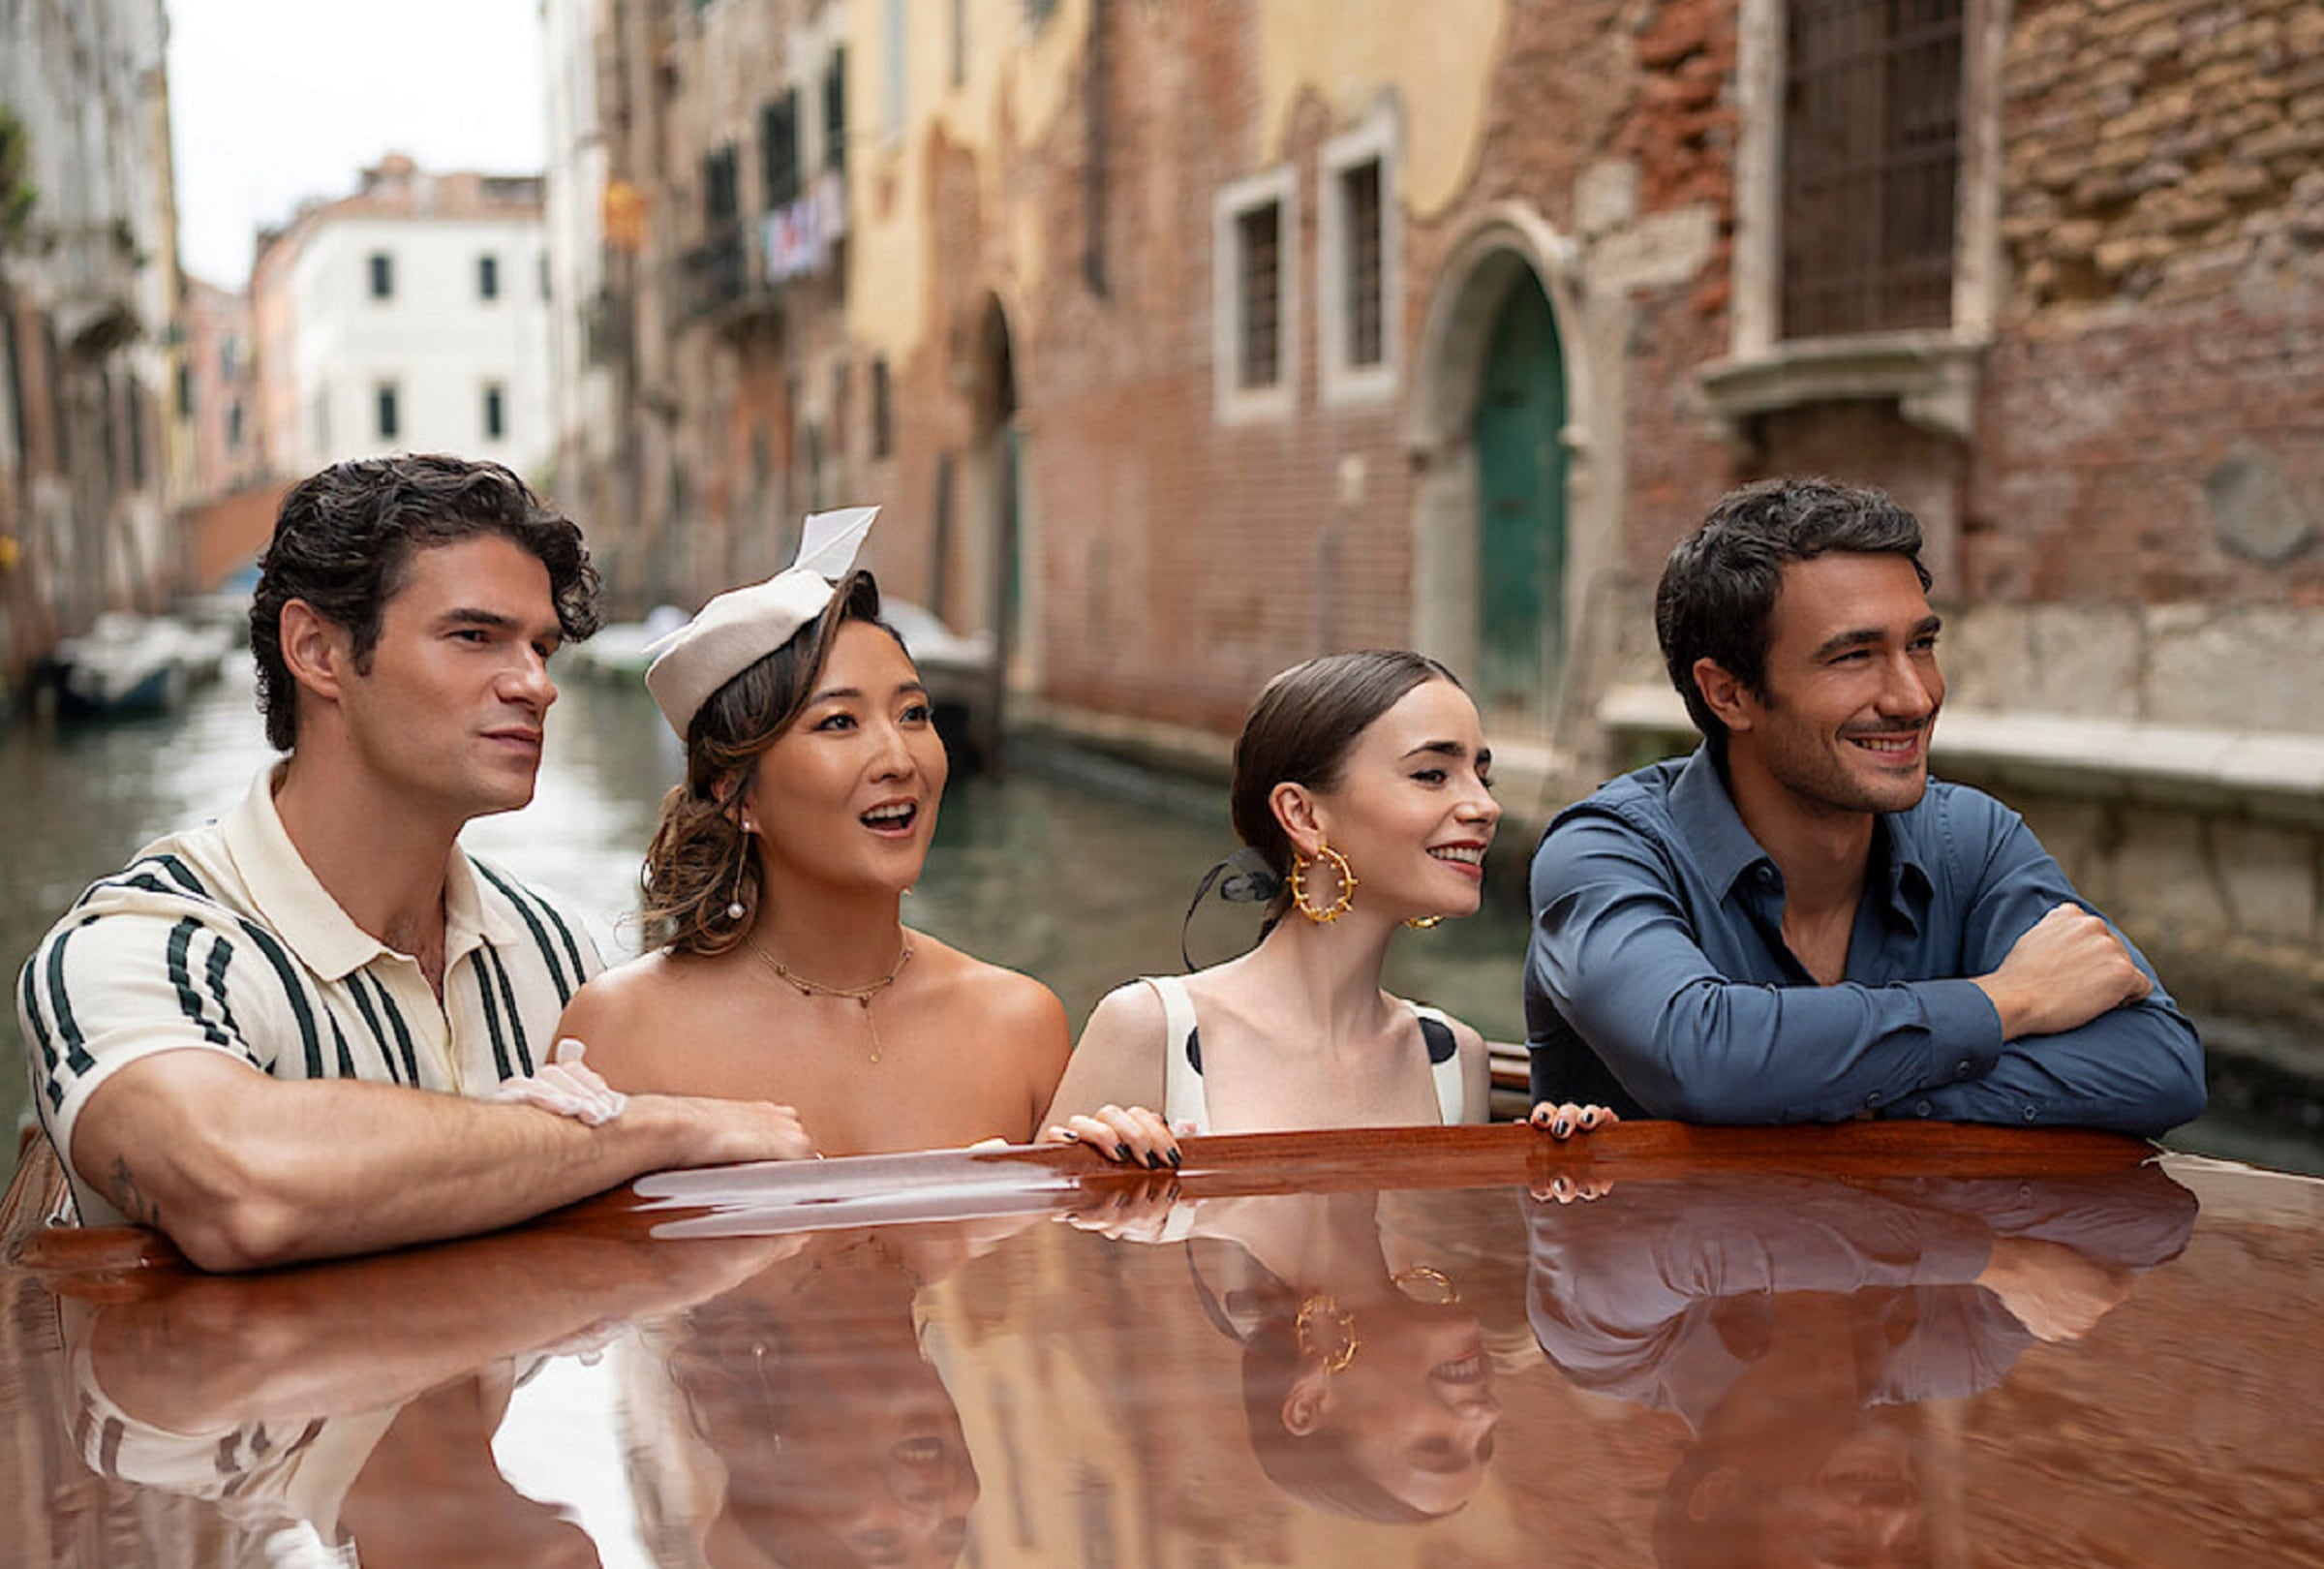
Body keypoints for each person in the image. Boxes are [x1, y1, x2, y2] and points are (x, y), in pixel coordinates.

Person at [14, 454, 814, 1273]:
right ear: (317, 650)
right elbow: (240, 1188)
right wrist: (654, 1127)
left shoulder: (559, 952)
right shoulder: (139, 951)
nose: (536, 684)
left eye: (541, 646)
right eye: (475, 637)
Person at [1524, 477, 2206, 1135]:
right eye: (1855, 656)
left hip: (1918, 1252)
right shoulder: (1603, 852)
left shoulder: (1974, 839)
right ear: (1727, 693)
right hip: (1653, 1253)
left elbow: (2160, 1064)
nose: (1914, 698)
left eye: (1921, 645)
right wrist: (2010, 1001)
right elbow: (1699, 1056)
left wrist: (1855, 1090)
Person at [555, 508, 1072, 1154]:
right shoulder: (621, 1029)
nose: (899, 759)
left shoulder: (1021, 1023)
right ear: (733, 792)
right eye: (838, 723)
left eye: (914, 714)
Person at [1046, 649, 1613, 1158]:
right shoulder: (1151, 1028)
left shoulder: (1452, 1057)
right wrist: (1102, 1170)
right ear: (1303, 815)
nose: (1484, 807)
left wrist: (1574, 1160)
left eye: (1480, 775)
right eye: (1433, 774)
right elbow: (1042, 1260)